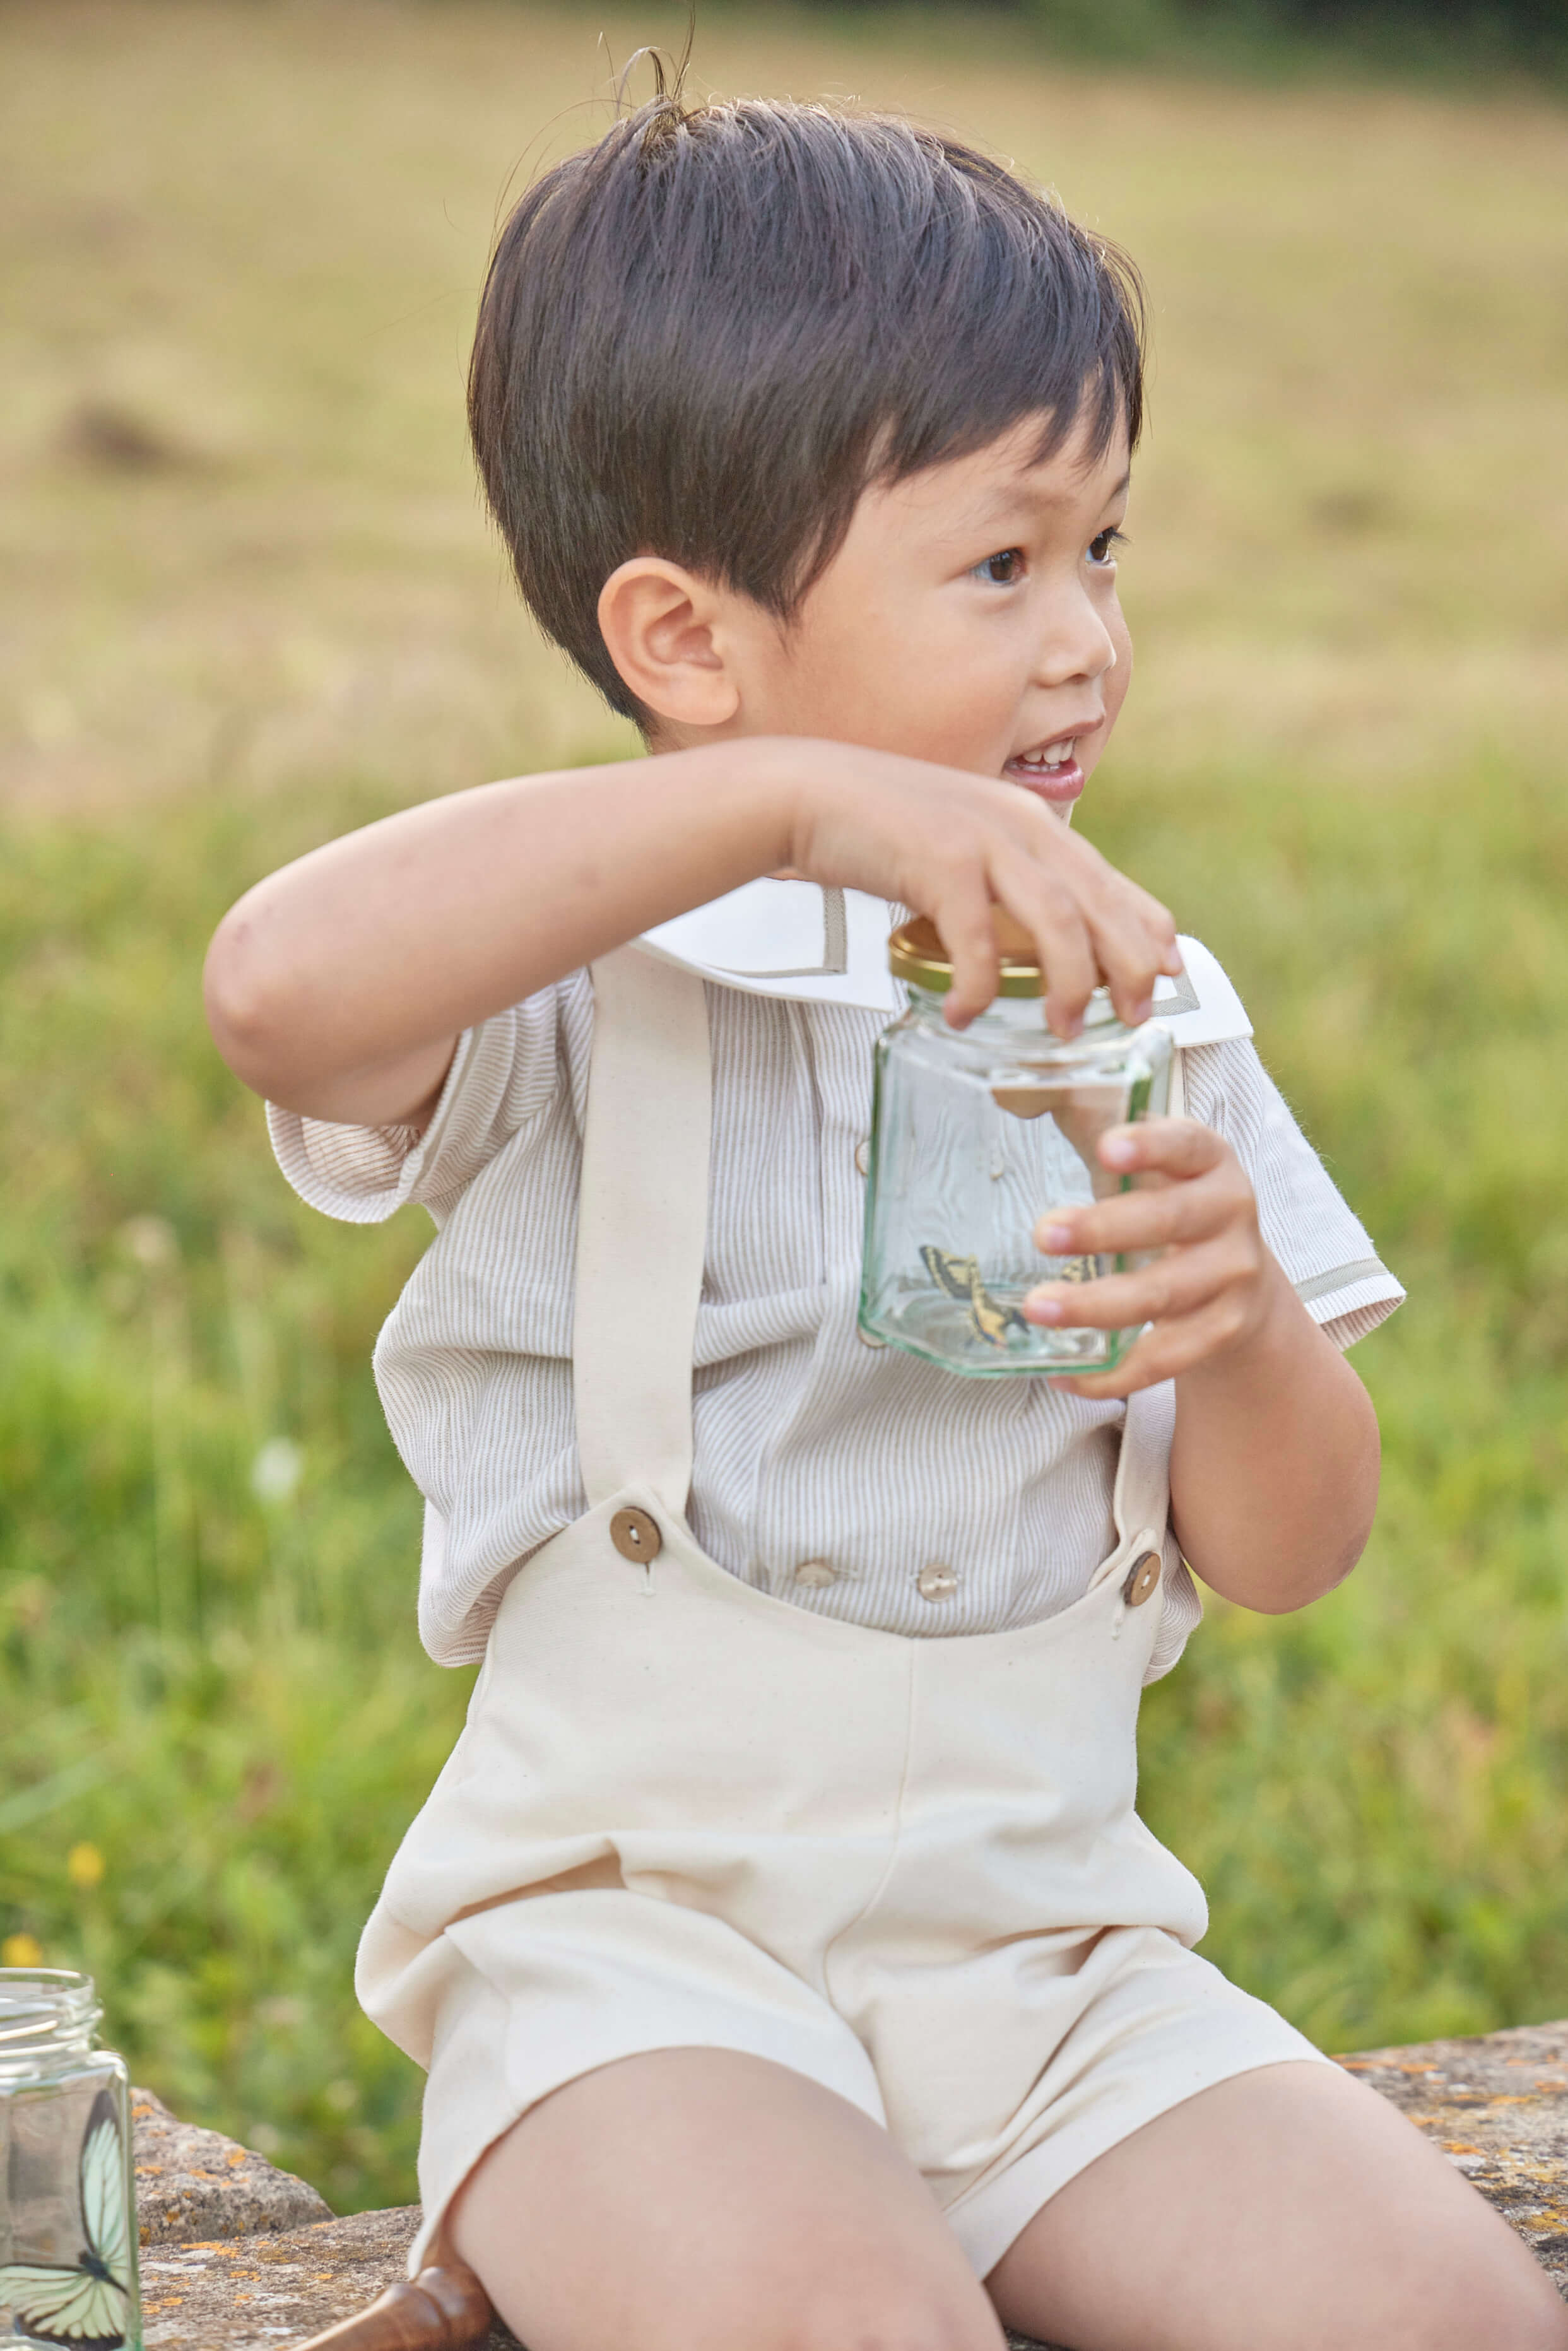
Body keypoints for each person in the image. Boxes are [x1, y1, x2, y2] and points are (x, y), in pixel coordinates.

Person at [204, 90, 1568, 2351]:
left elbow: (1292, 1549)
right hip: (633, 1972)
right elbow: (273, 989)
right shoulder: (571, 975)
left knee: (1458, 2318)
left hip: (1050, 1964)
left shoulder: (1143, 1000)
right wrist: (786, 806)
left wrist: (1243, 1328)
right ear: (687, 639)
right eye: (1002, 566)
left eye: (1105, 548)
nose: (1089, 639)